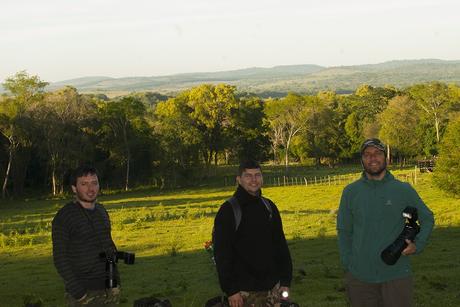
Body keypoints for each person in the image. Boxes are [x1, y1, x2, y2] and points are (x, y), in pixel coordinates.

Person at [337, 138, 435, 307]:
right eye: (367, 154)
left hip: (396, 275)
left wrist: (417, 245)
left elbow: (427, 218)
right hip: (360, 278)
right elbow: (344, 230)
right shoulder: (351, 192)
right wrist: (349, 263)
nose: (372, 158)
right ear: (361, 159)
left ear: (386, 158)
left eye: (377, 153)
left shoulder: (403, 189)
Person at [213, 160, 293, 307]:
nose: (254, 180)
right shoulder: (229, 210)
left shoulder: (269, 207)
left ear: (262, 178)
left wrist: (285, 281)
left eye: (257, 175)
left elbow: (280, 245)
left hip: (273, 289)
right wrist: (231, 290)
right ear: (239, 179)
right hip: (243, 292)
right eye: (248, 176)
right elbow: (222, 253)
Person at [52, 165, 120, 306]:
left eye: (94, 183)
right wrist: (79, 293)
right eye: (84, 184)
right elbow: (60, 258)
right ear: (74, 188)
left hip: (108, 290)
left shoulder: (101, 211)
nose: (91, 189)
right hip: (83, 293)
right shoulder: (65, 216)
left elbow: (109, 248)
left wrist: (115, 281)